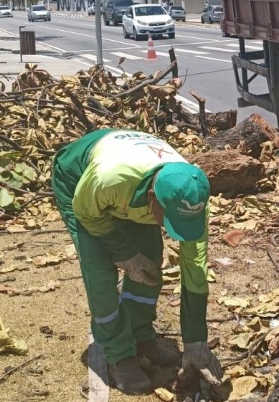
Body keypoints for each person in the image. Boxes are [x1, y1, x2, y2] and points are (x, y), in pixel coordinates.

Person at [51, 129, 223, 394]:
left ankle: (141, 336)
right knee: (100, 271)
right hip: (79, 184)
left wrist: (195, 340)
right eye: (169, 221)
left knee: (150, 263)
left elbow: (195, 270)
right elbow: (87, 212)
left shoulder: (192, 197)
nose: (170, 229)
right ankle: (120, 355)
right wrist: (125, 254)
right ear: (153, 200)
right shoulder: (108, 177)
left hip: (131, 191)